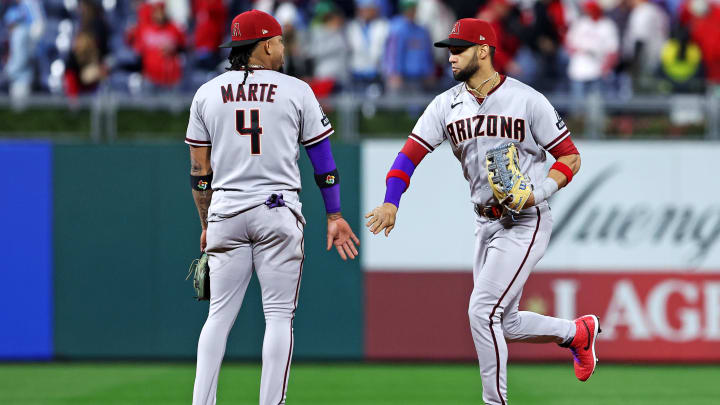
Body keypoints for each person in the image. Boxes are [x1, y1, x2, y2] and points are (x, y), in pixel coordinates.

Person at [364, 19, 599, 405]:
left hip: (526, 219)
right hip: (484, 221)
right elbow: (408, 157)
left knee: (481, 310)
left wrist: (539, 192)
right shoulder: (445, 104)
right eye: (449, 50)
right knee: (504, 321)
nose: (451, 56)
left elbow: (569, 157)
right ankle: (577, 334)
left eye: (459, 49)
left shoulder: (527, 99)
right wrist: (392, 200)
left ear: (485, 50)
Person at [187, 9, 359, 405]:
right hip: (278, 209)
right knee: (279, 318)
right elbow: (324, 163)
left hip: (226, 209)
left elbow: (200, 172)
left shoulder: (206, 92)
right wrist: (333, 214)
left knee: (217, 318)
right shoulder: (296, 90)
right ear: (265, 44)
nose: (283, 47)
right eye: (279, 41)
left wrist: (206, 222)